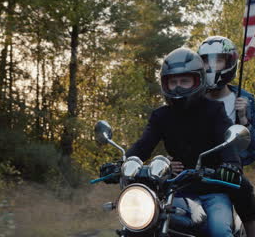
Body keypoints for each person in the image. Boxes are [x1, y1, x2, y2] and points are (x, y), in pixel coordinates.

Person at [103, 47, 242, 237]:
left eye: (184, 81)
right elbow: (143, 146)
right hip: (174, 191)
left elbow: (229, 143)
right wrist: (121, 164)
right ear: (164, 85)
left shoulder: (214, 111)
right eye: (172, 82)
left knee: (218, 230)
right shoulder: (161, 116)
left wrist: (231, 165)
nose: (177, 87)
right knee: (143, 223)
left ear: (198, 80)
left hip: (211, 190)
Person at [197, 35, 255, 237]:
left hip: (229, 168)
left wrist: (244, 119)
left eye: (217, 60)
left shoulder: (245, 100)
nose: (211, 66)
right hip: (194, 168)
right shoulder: (192, 99)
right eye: (205, 60)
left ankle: (253, 235)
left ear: (230, 63)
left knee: (244, 188)